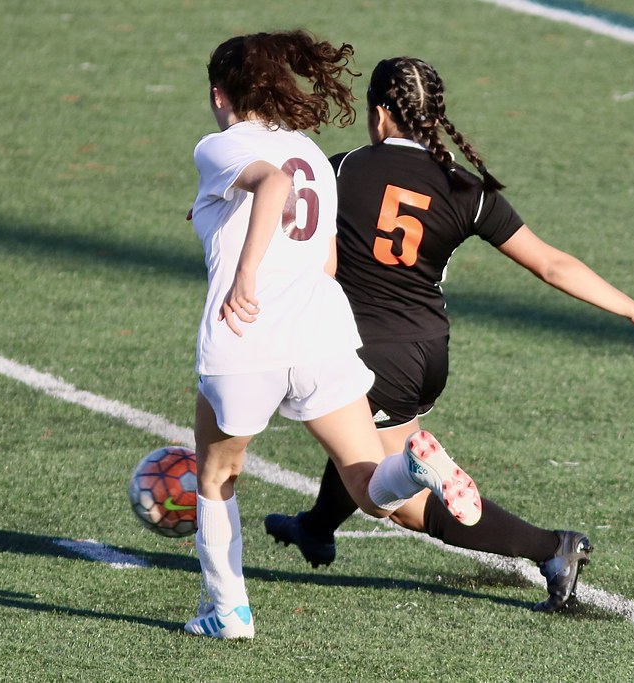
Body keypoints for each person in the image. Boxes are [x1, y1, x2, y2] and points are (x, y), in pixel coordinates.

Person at [265, 56, 634, 613]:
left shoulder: (342, 169)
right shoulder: (465, 187)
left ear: (381, 114)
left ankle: (551, 548)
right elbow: (551, 264)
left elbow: (296, 234)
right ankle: (315, 527)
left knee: (399, 498)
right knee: (357, 434)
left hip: (370, 352)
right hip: (426, 351)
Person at [185, 36, 485, 640]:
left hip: (245, 339)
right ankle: (414, 466)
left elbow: (270, 187)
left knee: (217, 475)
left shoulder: (218, 145)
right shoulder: (314, 155)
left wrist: (245, 276)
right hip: (321, 331)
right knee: (370, 486)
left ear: (220, 94)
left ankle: (228, 611)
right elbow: (322, 263)